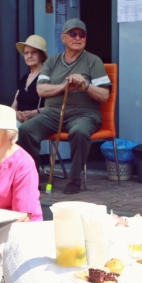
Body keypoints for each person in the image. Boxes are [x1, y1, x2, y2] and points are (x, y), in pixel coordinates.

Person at [17, 19, 110, 195]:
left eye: (82, 34)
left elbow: (104, 95)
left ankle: (74, 179)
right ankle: (32, 177)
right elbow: (41, 89)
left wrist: (86, 85)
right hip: (53, 113)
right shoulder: (52, 62)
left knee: (80, 132)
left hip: (85, 114)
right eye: (73, 34)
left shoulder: (93, 61)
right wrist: (64, 87)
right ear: (63, 37)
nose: (77, 38)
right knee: (26, 130)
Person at [11, 34, 47, 123]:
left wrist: (34, 113)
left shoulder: (47, 77)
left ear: (41, 56)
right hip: (18, 122)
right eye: (26, 53)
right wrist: (15, 114)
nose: (29, 56)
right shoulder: (24, 78)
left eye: (33, 52)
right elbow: (14, 106)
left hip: (37, 123)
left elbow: (55, 108)